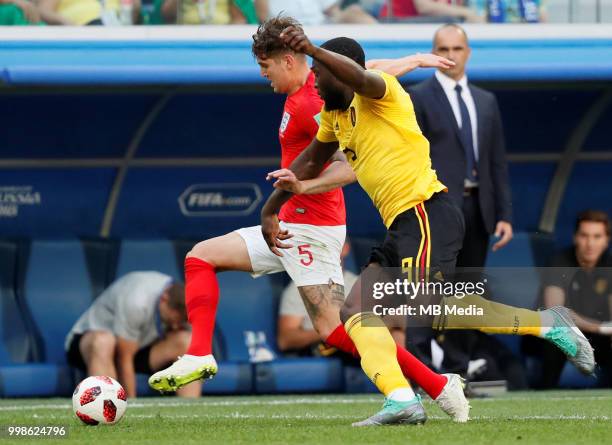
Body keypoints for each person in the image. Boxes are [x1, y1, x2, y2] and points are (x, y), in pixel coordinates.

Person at [261, 25, 594, 425]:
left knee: (431, 309)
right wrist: (272, 207)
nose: (313, 77)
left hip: (426, 213)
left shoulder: (378, 90)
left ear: (340, 70)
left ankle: (548, 324)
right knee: (356, 311)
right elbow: (310, 162)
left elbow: (360, 75)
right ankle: (401, 399)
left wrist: (312, 48)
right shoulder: (333, 116)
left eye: (318, 70)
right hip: (402, 224)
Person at [149, 16, 470, 425]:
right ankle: (199, 354)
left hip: (312, 228)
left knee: (345, 326)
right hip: (289, 223)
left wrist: (301, 190)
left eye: (265, 68)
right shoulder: (316, 87)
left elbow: (348, 168)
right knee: (203, 259)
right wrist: (413, 59)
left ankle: (432, 385)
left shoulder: (316, 102)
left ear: (288, 60)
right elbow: (372, 69)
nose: (264, 77)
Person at [409, 24, 513, 270]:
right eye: (443, 49)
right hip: (438, 208)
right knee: (435, 291)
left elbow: (496, 161)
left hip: (479, 208)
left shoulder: (485, 100)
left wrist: (505, 215)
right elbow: (412, 160)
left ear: (468, 52)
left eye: (457, 48)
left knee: (470, 293)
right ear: (433, 53)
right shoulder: (417, 96)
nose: (450, 55)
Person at [65, 271, 200, 398]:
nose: (175, 326)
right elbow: (124, 358)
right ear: (164, 299)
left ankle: (192, 411)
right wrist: (132, 404)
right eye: (172, 320)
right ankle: (107, 410)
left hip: (138, 348)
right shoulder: (137, 301)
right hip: (90, 348)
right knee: (104, 341)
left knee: (187, 342)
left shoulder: (182, 299)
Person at [278, 240, 407, 353]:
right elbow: (285, 340)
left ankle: (403, 380)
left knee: (397, 332)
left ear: (345, 248)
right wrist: (334, 330)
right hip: (326, 346)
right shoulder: (300, 288)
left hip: (365, 338)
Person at [538, 210, 612, 388]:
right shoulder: (559, 261)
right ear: (575, 237)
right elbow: (556, 312)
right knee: (555, 336)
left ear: (606, 240)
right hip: (564, 335)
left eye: (597, 236)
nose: (590, 243)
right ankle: (545, 397)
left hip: (598, 339)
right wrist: (601, 327)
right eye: (585, 236)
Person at [255, 0, 377, 25]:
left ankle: (385, 48)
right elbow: (263, 18)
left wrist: (345, 16)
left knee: (355, 12)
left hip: (322, 25)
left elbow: (333, 10)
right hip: (286, 30)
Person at [378, 0, 484, 23]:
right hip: (396, 22)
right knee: (450, 21)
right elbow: (423, 7)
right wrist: (465, 12)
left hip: (420, 21)